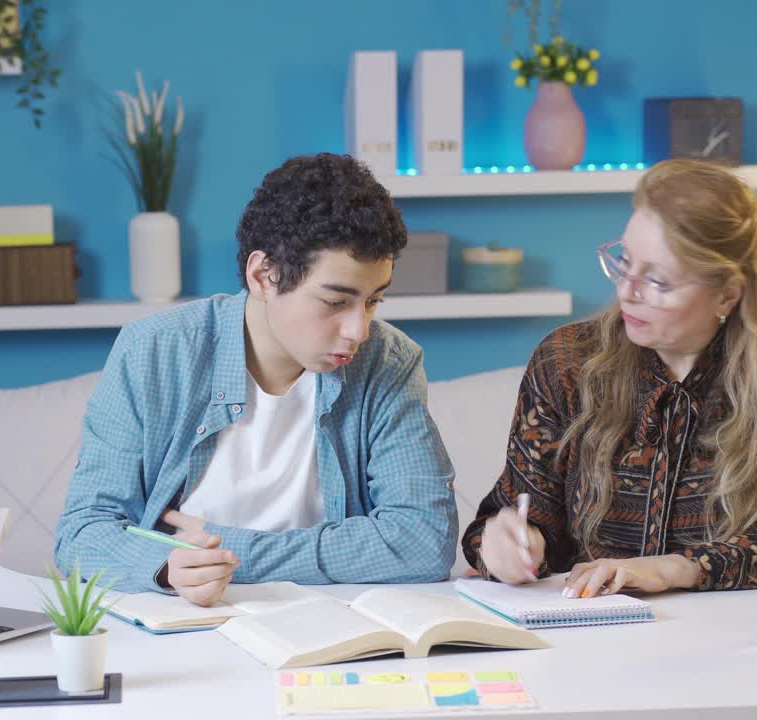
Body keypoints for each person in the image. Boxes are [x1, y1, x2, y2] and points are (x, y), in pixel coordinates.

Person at [56, 152, 457, 605]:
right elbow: (82, 534)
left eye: (373, 301)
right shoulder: (155, 351)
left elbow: (424, 541)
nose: (358, 331)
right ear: (263, 275)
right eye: (335, 302)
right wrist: (167, 567)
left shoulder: (388, 362)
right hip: (185, 622)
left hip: (333, 625)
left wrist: (233, 550)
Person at [462, 159, 757, 598]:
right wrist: (506, 545)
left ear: (727, 293)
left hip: (738, 625)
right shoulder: (566, 361)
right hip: (591, 624)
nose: (627, 291)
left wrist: (676, 569)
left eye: (658, 281)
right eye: (625, 262)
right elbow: (511, 521)